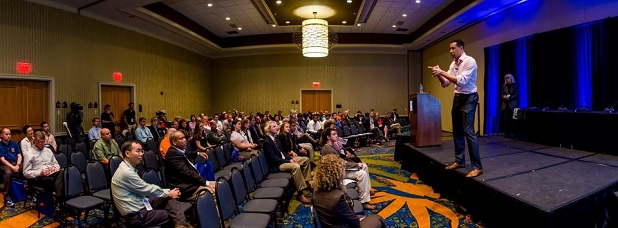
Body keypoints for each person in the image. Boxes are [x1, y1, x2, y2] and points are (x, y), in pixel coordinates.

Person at [428, 39, 483, 178]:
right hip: (458, 98)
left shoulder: (470, 61)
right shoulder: (454, 64)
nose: (451, 51)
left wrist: (442, 72)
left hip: (469, 98)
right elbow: (446, 83)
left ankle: (477, 167)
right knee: (457, 130)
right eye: (450, 49)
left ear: (461, 48)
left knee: (468, 131)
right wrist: (439, 75)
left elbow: (461, 81)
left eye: (453, 48)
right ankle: (459, 161)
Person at [111, 141, 192, 228]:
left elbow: (145, 187)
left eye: (142, 151)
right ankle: (182, 224)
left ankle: (181, 224)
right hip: (135, 215)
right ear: (127, 153)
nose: (141, 154)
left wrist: (168, 192)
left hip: (141, 202)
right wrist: (168, 192)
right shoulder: (126, 172)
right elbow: (147, 189)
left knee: (169, 198)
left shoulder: (127, 167)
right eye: (138, 151)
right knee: (172, 214)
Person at [313, 154, 385, 228]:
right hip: (343, 225)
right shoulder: (338, 197)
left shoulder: (317, 190)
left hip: (330, 223)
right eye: (343, 169)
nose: (344, 171)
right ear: (337, 173)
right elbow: (354, 222)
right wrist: (360, 219)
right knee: (378, 219)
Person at [320, 128, 376, 210]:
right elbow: (340, 163)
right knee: (362, 174)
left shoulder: (332, 145)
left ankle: (366, 191)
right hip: (337, 173)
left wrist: (356, 164)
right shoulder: (328, 149)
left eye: (336, 134)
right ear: (328, 137)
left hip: (341, 168)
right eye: (334, 134)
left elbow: (343, 160)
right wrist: (356, 165)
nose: (337, 136)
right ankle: (364, 201)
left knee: (364, 166)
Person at [262, 121, 312, 204]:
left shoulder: (275, 138)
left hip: (284, 159)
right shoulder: (267, 142)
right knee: (296, 166)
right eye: (274, 126)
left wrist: (291, 157)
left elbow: (283, 152)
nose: (277, 127)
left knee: (305, 160)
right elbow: (274, 159)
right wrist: (289, 160)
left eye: (276, 125)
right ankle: (300, 194)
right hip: (278, 165)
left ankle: (306, 182)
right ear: (269, 129)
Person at [164, 131, 215, 202]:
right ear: (174, 142)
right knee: (213, 192)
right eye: (181, 138)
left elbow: (186, 153)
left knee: (218, 186)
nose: (185, 140)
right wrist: (206, 182)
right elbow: (187, 173)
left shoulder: (177, 150)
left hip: (191, 184)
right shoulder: (173, 155)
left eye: (184, 137)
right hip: (185, 189)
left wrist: (198, 153)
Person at [22, 131, 62, 198]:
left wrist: (55, 168)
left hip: (51, 173)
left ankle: (59, 197)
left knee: (64, 173)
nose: (43, 144)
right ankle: (59, 199)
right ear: (35, 141)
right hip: (38, 178)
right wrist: (40, 173)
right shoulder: (29, 154)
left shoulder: (48, 151)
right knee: (51, 180)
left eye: (44, 142)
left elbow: (56, 164)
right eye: (40, 142)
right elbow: (26, 173)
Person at [0, 128, 22, 207]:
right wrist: (13, 167)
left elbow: (19, 155)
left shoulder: (14, 143)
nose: (8, 136)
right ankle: (7, 198)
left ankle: (31, 192)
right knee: (8, 173)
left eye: (9, 134)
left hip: (16, 163)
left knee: (27, 169)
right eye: (6, 134)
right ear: (1, 135)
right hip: (6, 165)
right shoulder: (0, 145)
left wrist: (18, 165)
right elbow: (2, 160)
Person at [501, 74, 518, 138]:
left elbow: (516, 95)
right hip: (506, 105)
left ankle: (515, 134)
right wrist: (504, 96)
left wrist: (510, 97)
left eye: (508, 78)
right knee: (506, 120)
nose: (507, 79)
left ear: (511, 79)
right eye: (506, 78)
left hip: (512, 105)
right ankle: (507, 134)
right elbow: (502, 93)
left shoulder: (515, 85)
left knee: (513, 120)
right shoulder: (504, 86)